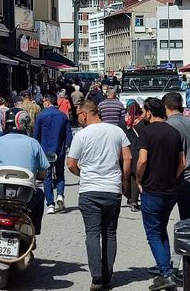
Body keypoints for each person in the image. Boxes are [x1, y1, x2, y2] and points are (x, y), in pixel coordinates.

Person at [67, 100, 132, 290]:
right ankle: (108, 275)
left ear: (85, 114)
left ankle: (96, 277)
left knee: (92, 233)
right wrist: (125, 181)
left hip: (89, 191)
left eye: (79, 115)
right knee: (110, 233)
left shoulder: (81, 135)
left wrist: (83, 175)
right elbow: (127, 157)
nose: (78, 119)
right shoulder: (117, 131)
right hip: (112, 189)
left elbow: (71, 164)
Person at [0, 110, 49, 241]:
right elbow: (44, 171)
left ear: (4, 123)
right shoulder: (33, 143)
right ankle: (33, 231)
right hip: (25, 196)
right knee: (40, 195)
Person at [136, 98, 185, 291]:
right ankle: (168, 270)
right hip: (170, 189)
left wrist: (139, 180)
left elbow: (142, 160)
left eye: (143, 112)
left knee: (153, 233)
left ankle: (165, 273)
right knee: (161, 229)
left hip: (152, 189)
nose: (142, 115)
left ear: (149, 112)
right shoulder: (174, 132)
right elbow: (183, 161)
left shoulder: (146, 132)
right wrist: (173, 177)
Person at [164, 92, 190, 220]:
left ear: (165, 107)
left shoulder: (168, 126)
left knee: (161, 220)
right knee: (189, 220)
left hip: (173, 179)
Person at [34, 94, 73, 214]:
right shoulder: (62, 116)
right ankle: (60, 194)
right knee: (60, 173)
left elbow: (36, 135)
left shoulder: (41, 116)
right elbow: (68, 134)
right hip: (59, 149)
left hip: (45, 150)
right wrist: (70, 146)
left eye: (44, 101)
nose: (43, 103)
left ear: (47, 101)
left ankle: (50, 204)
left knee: (47, 177)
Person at [118, 101, 144, 212]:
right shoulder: (142, 123)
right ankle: (133, 201)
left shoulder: (122, 122)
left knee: (124, 176)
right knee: (135, 177)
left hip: (124, 152)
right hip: (137, 151)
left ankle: (128, 196)